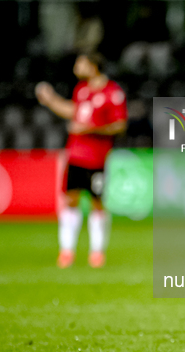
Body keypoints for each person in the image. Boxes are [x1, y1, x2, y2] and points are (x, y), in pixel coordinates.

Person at [35, 53, 127, 268]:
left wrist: (92, 129)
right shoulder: (81, 90)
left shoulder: (113, 93)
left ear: (93, 67)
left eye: (81, 63)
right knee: (70, 200)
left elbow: (120, 125)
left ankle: (97, 253)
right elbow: (74, 112)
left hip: (97, 159)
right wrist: (51, 100)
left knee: (97, 203)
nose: (76, 67)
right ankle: (66, 251)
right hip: (75, 155)